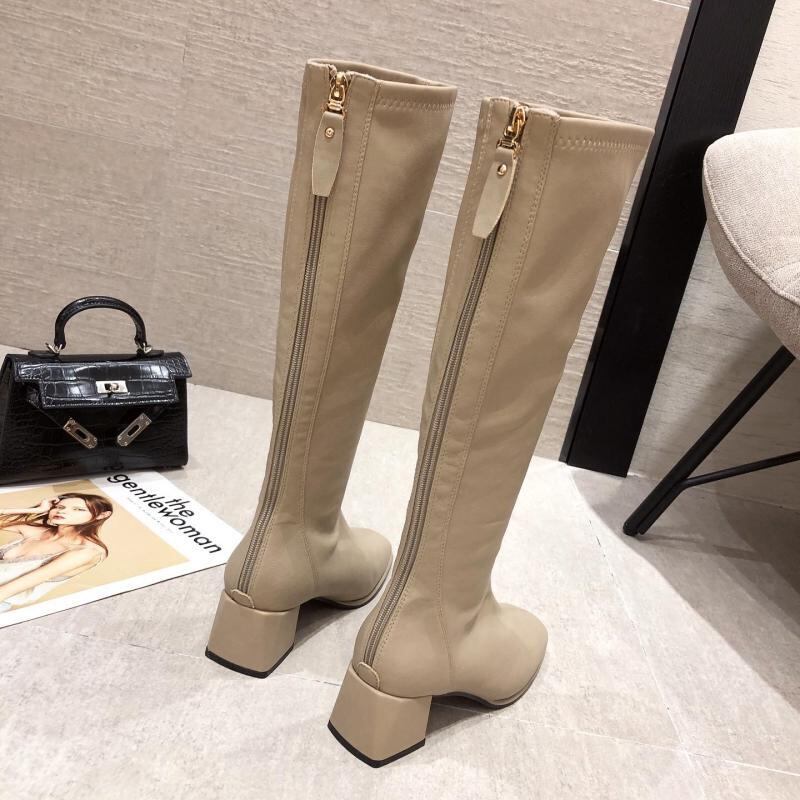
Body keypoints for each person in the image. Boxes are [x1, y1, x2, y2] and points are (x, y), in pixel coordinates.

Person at [0, 492, 112, 611]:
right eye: (59, 507)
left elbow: (9, 589)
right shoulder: (37, 531)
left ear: (102, 515)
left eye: (78, 509)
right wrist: (36, 510)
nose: (62, 512)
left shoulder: (87, 551)